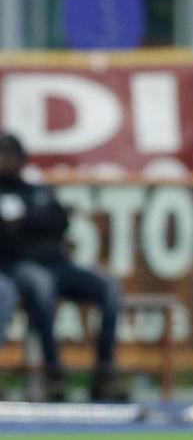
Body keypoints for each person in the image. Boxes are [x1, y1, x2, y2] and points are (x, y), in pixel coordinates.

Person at [0, 133, 126, 402]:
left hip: (58, 264)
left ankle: (105, 370)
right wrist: (33, 223)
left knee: (109, 287)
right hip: (18, 266)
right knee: (40, 285)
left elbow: (61, 222)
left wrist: (26, 221)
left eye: (9, 155)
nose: (5, 161)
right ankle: (53, 370)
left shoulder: (37, 188)